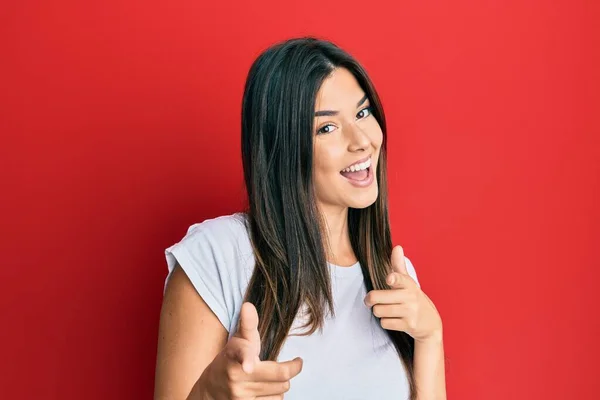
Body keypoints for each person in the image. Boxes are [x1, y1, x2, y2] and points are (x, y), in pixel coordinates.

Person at [154, 37, 446, 400]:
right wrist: (207, 396)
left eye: (362, 113)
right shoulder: (217, 256)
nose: (362, 141)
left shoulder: (394, 278)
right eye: (327, 128)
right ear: (285, 149)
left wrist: (431, 337)